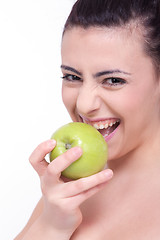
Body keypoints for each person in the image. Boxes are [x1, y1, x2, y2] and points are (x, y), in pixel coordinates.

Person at [15, 0, 160, 239]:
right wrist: (52, 226)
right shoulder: (69, 189)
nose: (83, 104)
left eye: (113, 80)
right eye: (72, 76)